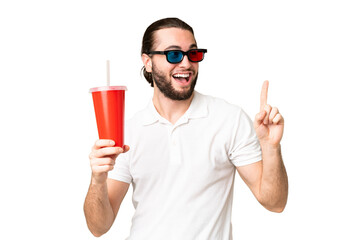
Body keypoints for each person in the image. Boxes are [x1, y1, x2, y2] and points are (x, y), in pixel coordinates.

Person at [84, 17, 288, 239]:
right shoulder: (128, 132)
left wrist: (270, 147)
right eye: (173, 54)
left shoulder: (229, 119)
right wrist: (98, 179)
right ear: (148, 61)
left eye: (193, 54)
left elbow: (274, 202)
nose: (186, 64)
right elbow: (99, 227)